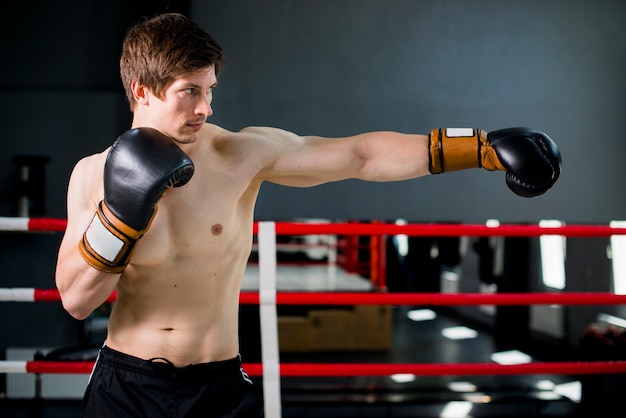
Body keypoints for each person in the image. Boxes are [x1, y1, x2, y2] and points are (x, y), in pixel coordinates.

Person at [54, 12, 561, 418]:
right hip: (127, 387)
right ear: (142, 90)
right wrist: (120, 213)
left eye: (210, 90)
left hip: (216, 385)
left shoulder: (239, 154)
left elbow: (360, 155)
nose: (206, 107)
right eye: (191, 90)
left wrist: (477, 147)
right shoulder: (93, 175)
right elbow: (77, 300)